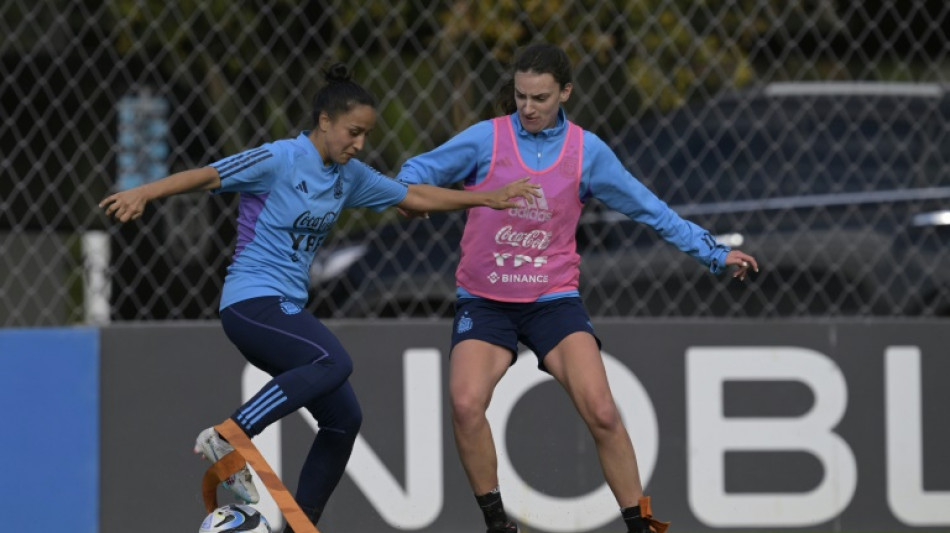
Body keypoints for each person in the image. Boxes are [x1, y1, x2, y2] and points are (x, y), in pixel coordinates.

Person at [99, 63, 540, 532]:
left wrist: (486, 199)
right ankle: (230, 434)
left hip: (285, 307)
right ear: (324, 121)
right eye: (353, 132)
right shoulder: (279, 159)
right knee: (333, 362)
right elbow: (207, 177)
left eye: (366, 135)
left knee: (344, 418)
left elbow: (412, 197)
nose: (359, 144)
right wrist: (145, 192)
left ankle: (299, 525)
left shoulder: (348, 175)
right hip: (251, 303)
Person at [395, 43, 758, 533]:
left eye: (540, 97)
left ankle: (641, 525)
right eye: (521, 96)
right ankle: (498, 526)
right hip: (485, 301)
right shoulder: (487, 139)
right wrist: (411, 197)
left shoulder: (587, 153)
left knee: (603, 411)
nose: (527, 107)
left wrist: (713, 253)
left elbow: (649, 209)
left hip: (552, 301)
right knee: (464, 405)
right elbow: (413, 175)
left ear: (565, 92)